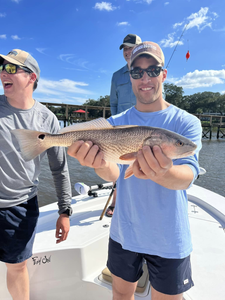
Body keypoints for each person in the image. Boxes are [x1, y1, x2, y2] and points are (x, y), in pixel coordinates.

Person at [67, 41, 202, 300]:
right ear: (130, 77)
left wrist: (161, 172)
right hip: (124, 232)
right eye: (137, 72)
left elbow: (187, 177)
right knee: (119, 293)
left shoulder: (186, 123)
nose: (145, 78)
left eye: (152, 69)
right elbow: (113, 174)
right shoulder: (114, 124)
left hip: (169, 237)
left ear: (164, 74)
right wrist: (98, 162)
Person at [0, 49, 72, 300]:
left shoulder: (48, 120)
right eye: (2, 68)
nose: (2, 73)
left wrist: (65, 211)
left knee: (17, 266)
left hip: (20, 207)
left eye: (10, 68)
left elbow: (59, 168)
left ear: (31, 77)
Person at [107, 33, 142, 217]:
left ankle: (137, 204)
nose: (128, 51)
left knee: (142, 165)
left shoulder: (148, 73)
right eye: (125, 48)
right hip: (120, 131)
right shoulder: (115, 76)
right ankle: (115, 202)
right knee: (117, 166)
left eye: (131, 47)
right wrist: (113, 128)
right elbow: (113, 103)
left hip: (143, 131)